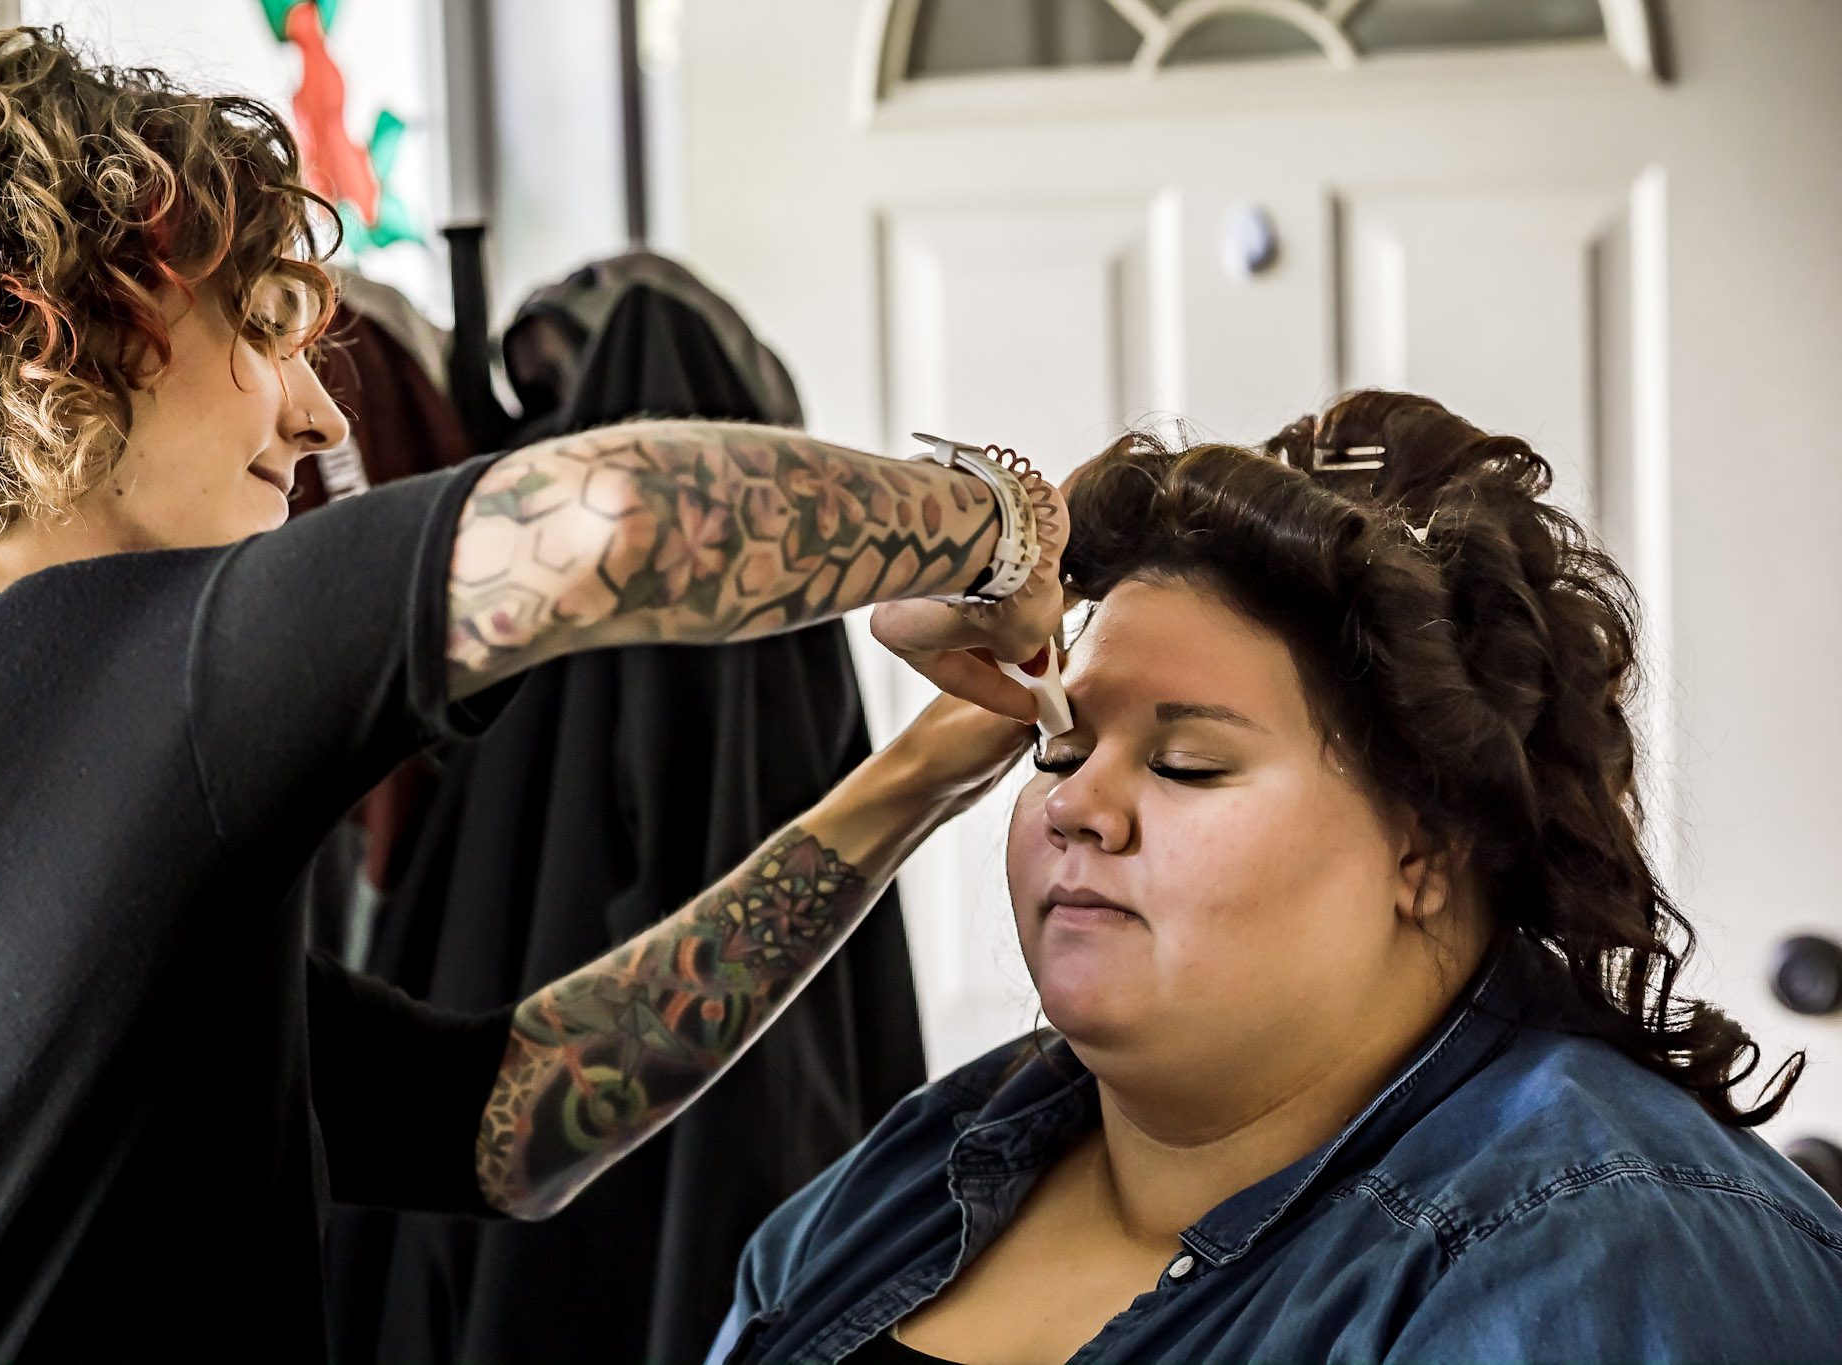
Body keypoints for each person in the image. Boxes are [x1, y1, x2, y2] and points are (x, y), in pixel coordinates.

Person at [0, 29, 1065, 1358]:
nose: (321, 418)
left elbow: (510, 1122)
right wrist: (1010, 532)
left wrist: (916, 778)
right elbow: (615, 517)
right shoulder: (123, 666)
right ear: (83, 321)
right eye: (262, 330)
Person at [710, 391, 1842, 1365]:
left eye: (1187, 764)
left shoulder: (1594, 1249)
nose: (1069, 802)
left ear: (1426, 847)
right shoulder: (917, 1168)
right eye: (1054, 748)